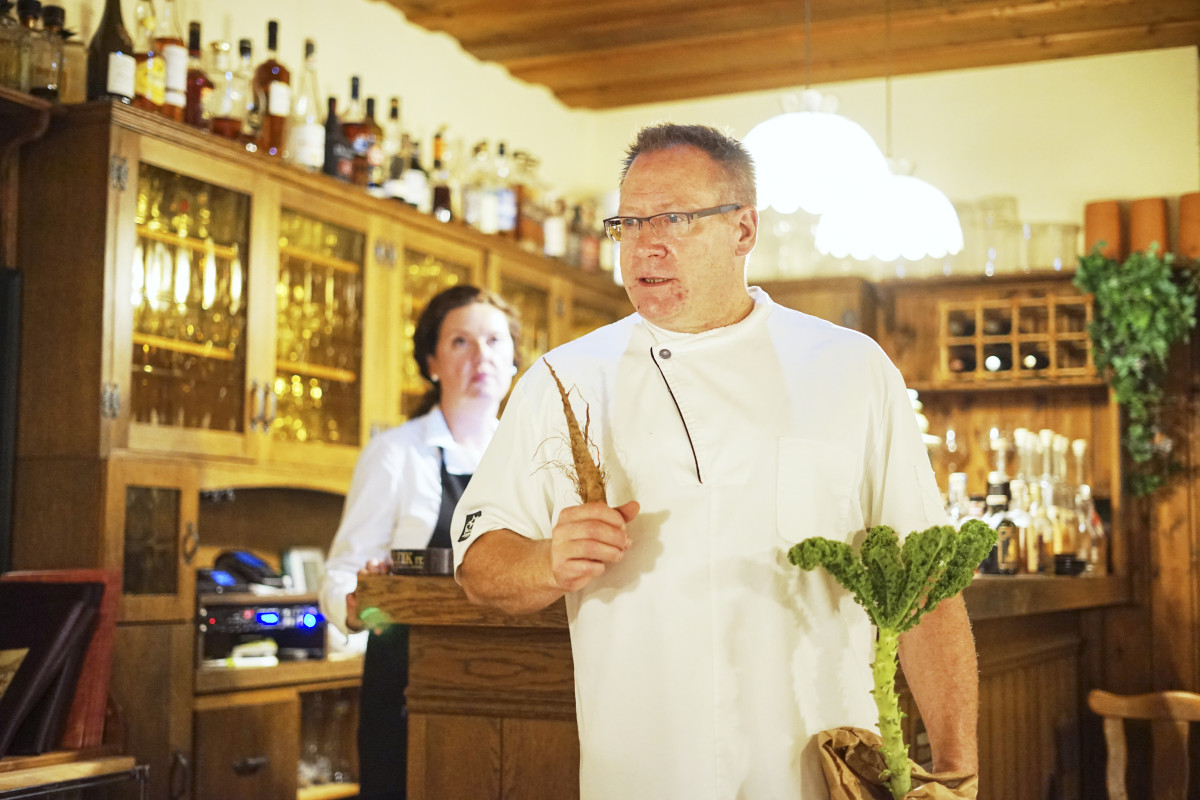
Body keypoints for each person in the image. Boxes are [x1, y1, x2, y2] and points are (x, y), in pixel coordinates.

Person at [450, 124, 980, 799]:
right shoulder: (566, 378)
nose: (647, 242)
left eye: (675, 218)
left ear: (743, 230)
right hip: (639, 775)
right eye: (630, 222)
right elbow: (478, 565)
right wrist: (544, 562)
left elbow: (926, 584)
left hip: (822, 776)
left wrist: (959, 773)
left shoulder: (850, 367)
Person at [319, 284, 519, 800]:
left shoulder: (528, 458)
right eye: (461, 342)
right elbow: (342, 570)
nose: (482, 356)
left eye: (495, 341)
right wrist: (358, 606)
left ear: (515, 359)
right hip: (407, 684)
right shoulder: (395, 454)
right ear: (431, 361)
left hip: (513, 681)